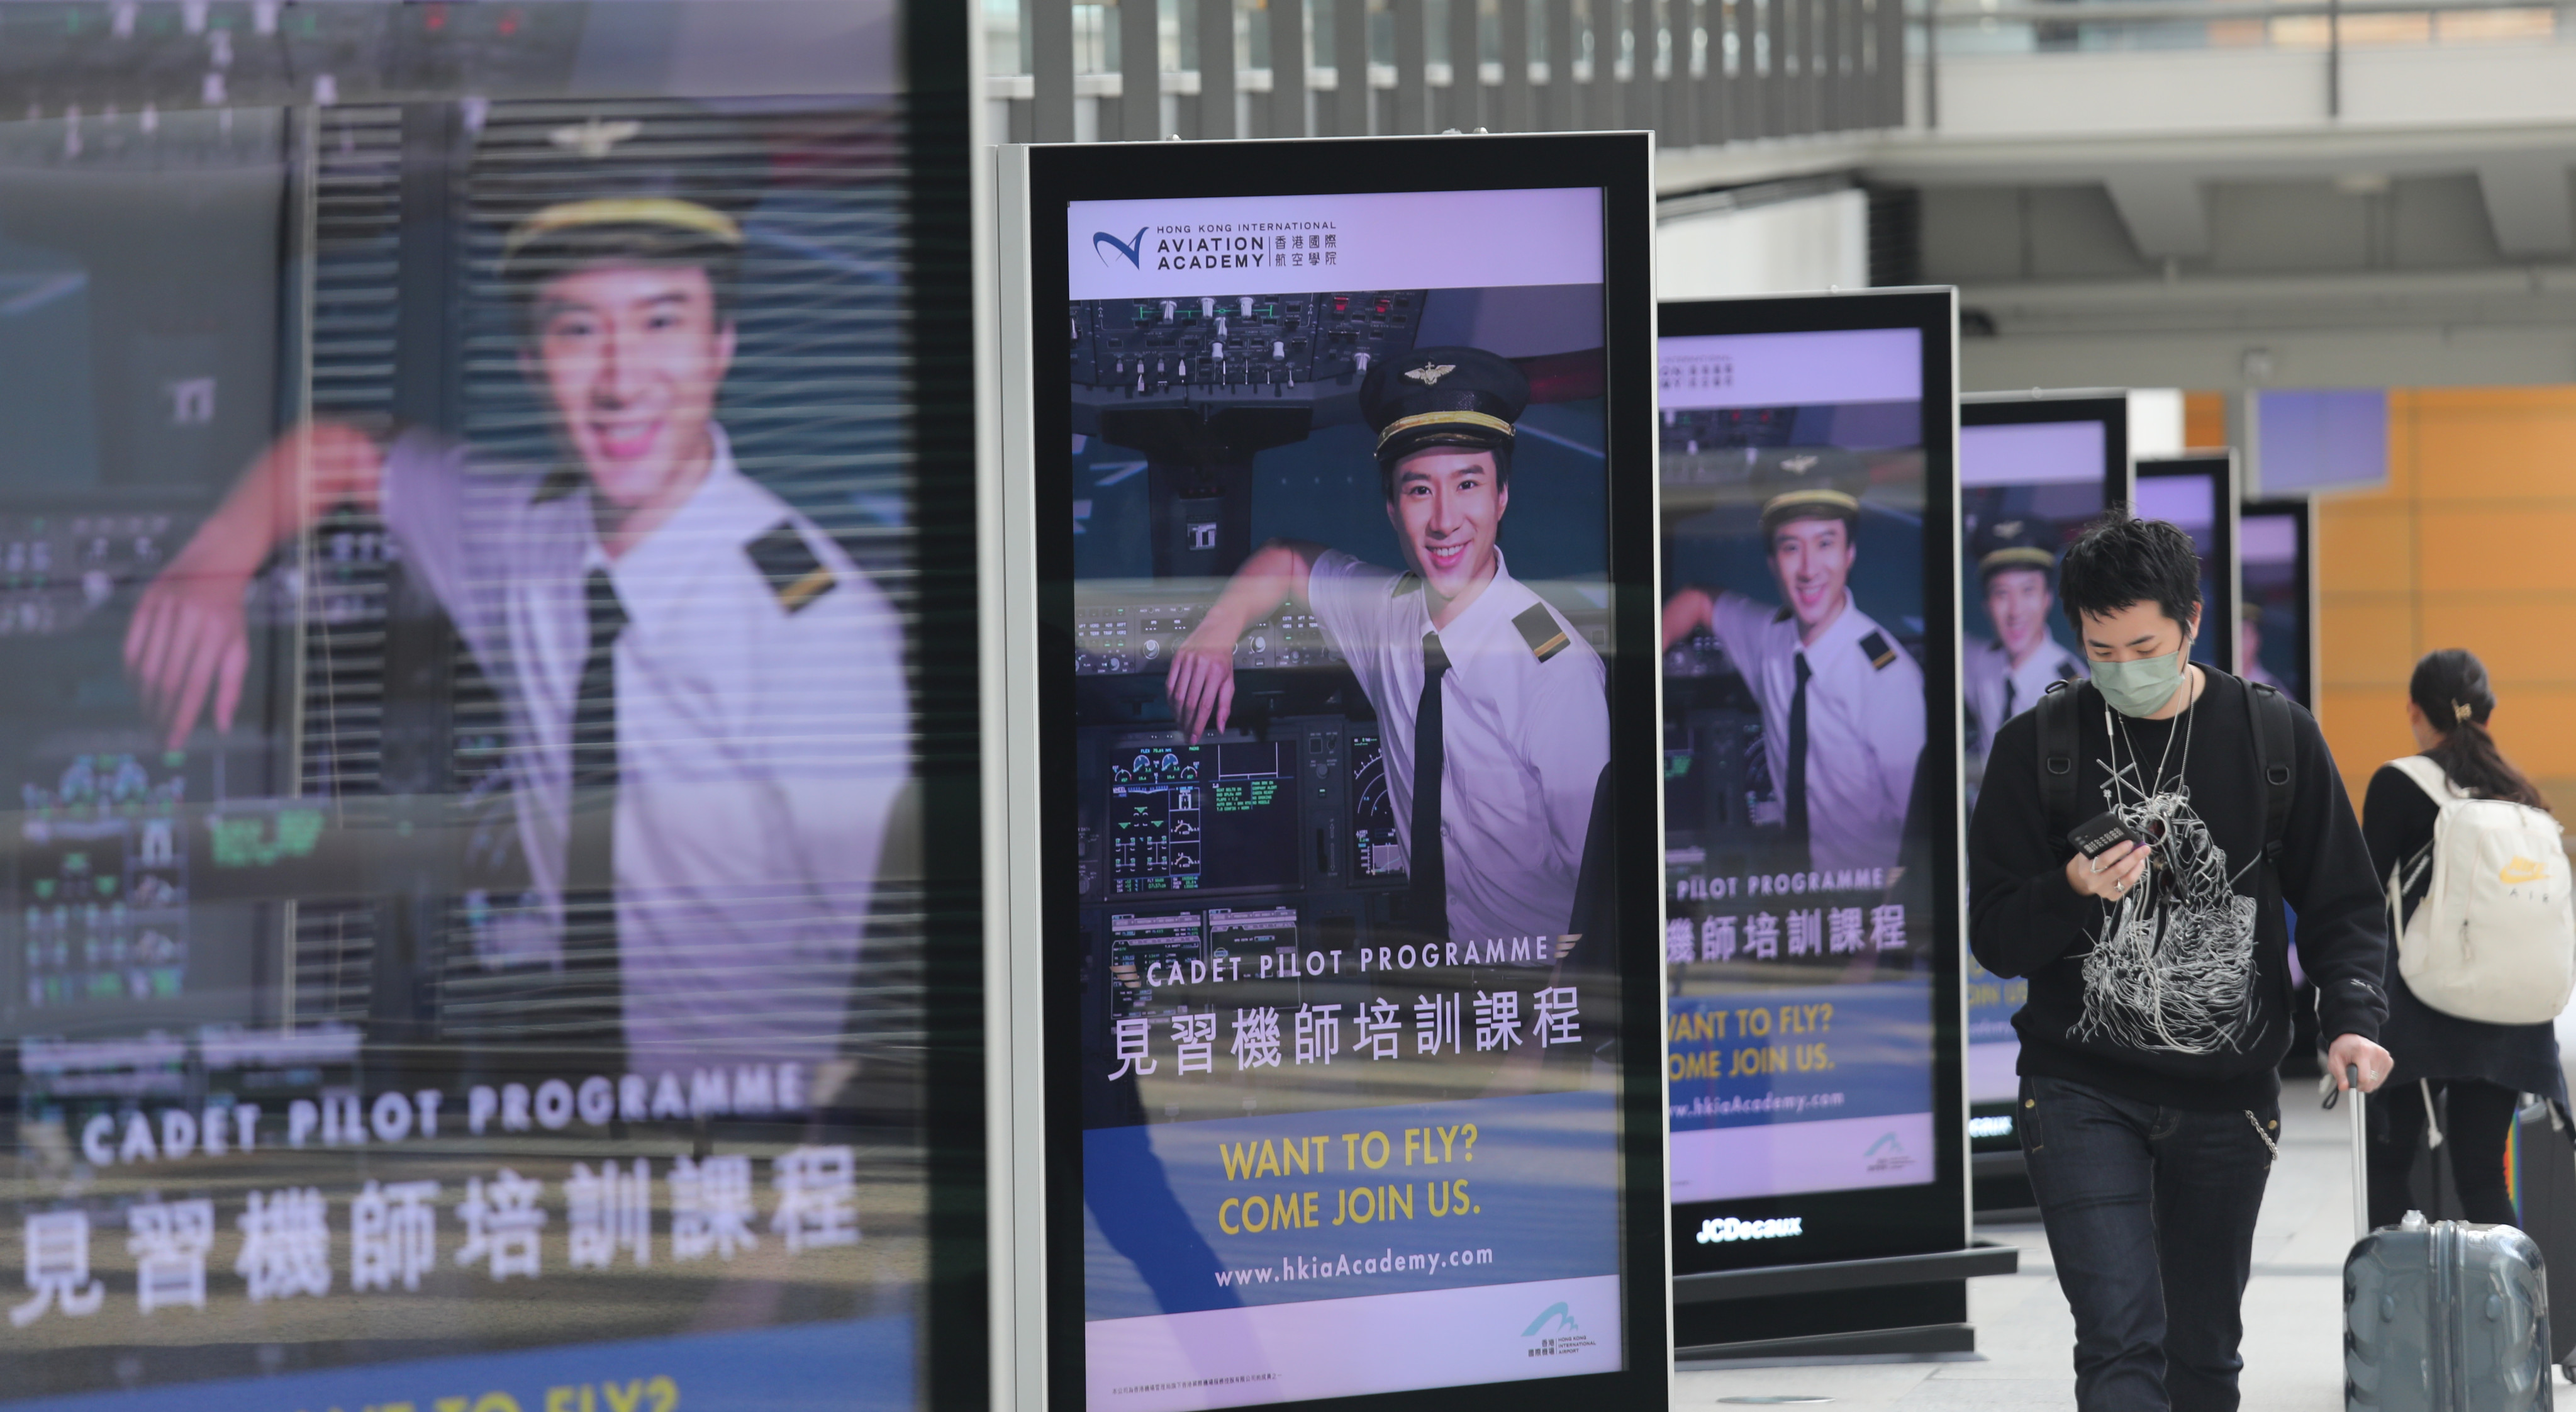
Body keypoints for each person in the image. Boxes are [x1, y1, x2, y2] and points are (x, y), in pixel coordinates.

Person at [121, 116, 909, 1086]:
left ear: (720, 346)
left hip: (759, 1120)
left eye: (661, 321)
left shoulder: (812, 623)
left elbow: (878, 953)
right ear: (532, 363)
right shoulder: (524, 534)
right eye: (577, 329)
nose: (620, 380)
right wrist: (216, 560)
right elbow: (348, 451)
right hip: (577, 1100)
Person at [1968, 513, 2390, 1412]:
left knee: (2201, 1356)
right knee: (2120, 1340)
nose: (2122, 669)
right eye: (2098, 650)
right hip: (2078, 1085)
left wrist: (2352, 1016)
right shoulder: (2032, 751)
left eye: (2143, 645)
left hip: (2225, 1099)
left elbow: (2343, 902)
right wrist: (2071, 887)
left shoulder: (2271, 737)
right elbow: (1995, 937)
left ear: (2191, 623)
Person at [1163, 345, 1607, 948]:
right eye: (1419, 490)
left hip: (1538, 992)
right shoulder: (1390, 613)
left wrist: (1539, 1031)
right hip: (1441, 983)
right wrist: (1217, 630)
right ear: (1392, 509)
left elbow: (1604, 891)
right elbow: (1288, 558)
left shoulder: (1553, 668)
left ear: (1501, 498)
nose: (1446, 520)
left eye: (1468, 484)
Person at [2363, 648, 2563, 1229]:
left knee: (2387, 1164)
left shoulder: (2398, 784)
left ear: (2413, 711)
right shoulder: (2521, 796)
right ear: (2486, 714)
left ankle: (2410, 1304)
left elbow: (2363, 894)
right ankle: (2509, 1314)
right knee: (2481, 1175)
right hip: (2511, 1008)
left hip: (2418, 1001)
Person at [1660, 488, 1924, 876]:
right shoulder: (1772, 637)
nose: (1809, 568)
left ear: (1850, 554)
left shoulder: (1887, 678)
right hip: (1796, 889)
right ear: (1772, 562)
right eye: (1791, 548)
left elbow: (1923, 831)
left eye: (1825, 544)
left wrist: (1888, 919)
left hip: (1870, 902)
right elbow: (1698, 600)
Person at [1963, 521, 2082, 775]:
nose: (2015, 611)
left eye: (2028, 591)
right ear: (1987, 605)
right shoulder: (1981, 662)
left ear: (2047, 600)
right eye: (2002, 594)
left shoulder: (2073, 693)